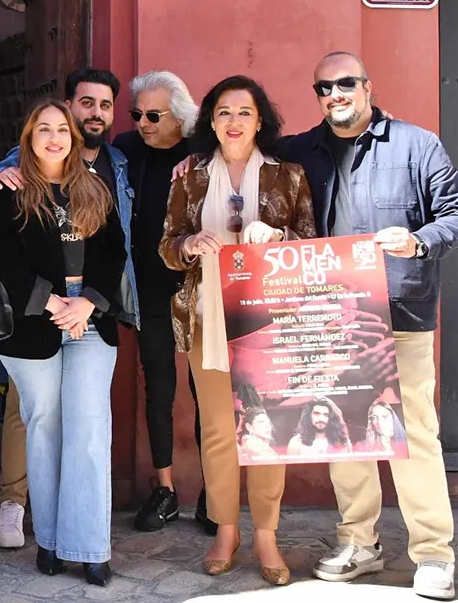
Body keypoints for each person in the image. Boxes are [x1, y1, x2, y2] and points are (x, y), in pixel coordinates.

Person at [288, 52, 458, 600]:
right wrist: (191, 162)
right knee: (345, 432)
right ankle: (360, 545)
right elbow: (243, 155)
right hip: (329, 313)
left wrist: (418, 240)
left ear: (367, 86)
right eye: (323, 87)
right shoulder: (302, 150)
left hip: (402, 311)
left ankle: (434, 555)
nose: (334, 94)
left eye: (345, 83)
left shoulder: (417, 145)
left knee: (413, 432)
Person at [0, 68, 138, 549]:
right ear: (29, 137)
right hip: (31, 324)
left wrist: (89, 302)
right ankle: (48, 540)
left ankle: (89, 547)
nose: (56, 137)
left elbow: (113, 254)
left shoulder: (96, 189)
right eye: (45, 129)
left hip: (90, 320)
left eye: (62, 129)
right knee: (43, 428)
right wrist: (50, 302)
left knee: (87, 428)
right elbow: (7, 260)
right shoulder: (10, 189)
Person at [160, 75, 316, 587]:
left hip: (271, 322)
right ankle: (226, 529)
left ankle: (266, 534)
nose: (233, 122)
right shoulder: (189, 177)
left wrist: (278, 235)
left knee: (268, 434)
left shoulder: (288, 176)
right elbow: (166, 247)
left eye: (244, 112)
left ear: (260, 120)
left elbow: (311, 244)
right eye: (223, 112)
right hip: (206, 316)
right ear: (210, 120)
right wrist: (186, 245)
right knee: (220, 433)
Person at [112, 71, 209, 533]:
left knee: (207, 391)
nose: (143, 124)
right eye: (137, 115)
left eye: (154, 115)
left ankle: (215, 490)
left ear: (181, 116)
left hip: (199, 287)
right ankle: (165, 489)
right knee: (159, 388)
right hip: (147, 287)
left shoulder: (203, 148)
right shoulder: (126, 150)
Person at [286, 396, 352, 456]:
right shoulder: (296, 442)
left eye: (326, 415)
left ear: (332, 418)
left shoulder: (344, 443)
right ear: (309, 416)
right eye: (316, 414)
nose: (321, 419)